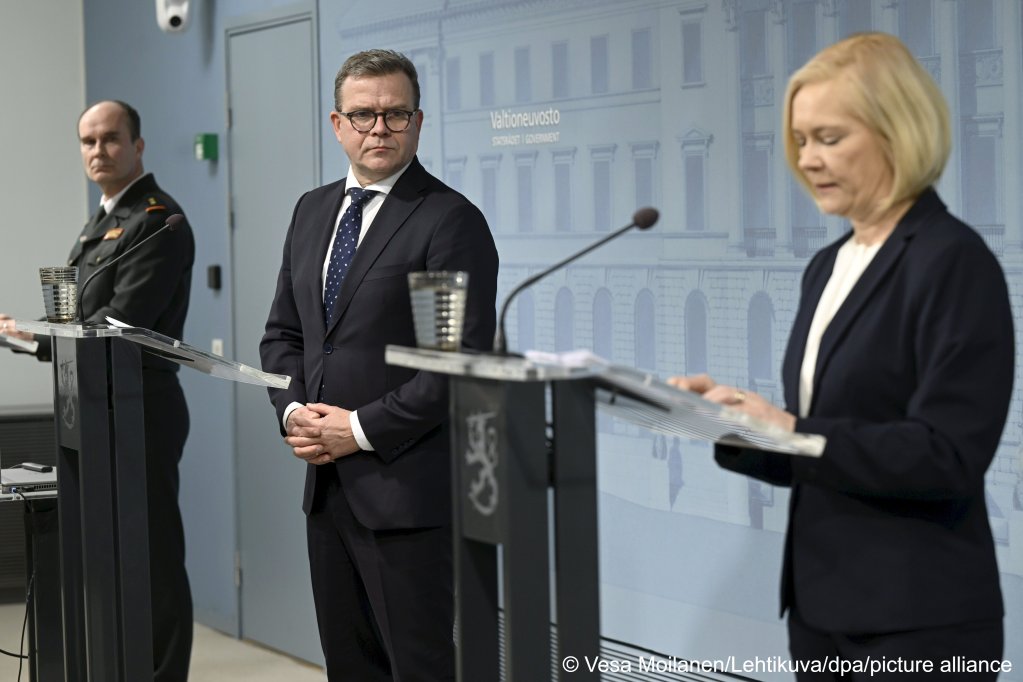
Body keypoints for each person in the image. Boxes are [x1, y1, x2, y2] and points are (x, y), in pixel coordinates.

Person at [670, 33, 1012, 680]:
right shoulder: (827, 265)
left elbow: (948, 454)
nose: (807, 159)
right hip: (821, 613)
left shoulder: (953, 261)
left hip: (917, 622)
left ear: (897, 132)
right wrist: (735, 424)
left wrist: (793, 429)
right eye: (800, 140)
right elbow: (824, 444)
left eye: (829, 138)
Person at [259, 49, 499, 681]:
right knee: (349, 666)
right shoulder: (312, 211)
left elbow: (452, 365)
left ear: (418, 122)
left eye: (396, 114)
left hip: (406, 494)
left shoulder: (448, 221)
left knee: (418, 668)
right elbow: (284, 335)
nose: (379, 129)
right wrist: (294, 413)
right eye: (363, 115)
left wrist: (358, 430)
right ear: (338, 124)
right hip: (326, 489)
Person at [1, 100, 195, 682]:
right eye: (88, 141)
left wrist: (37, 335)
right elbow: (77, 317)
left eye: (111, 138)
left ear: (138, 146)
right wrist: (26, 334)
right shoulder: (102, 222)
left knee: (151, 557)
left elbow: (118, 320)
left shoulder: (156, 220)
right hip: (89, 405)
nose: (98, 151)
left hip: (138, 408)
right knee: (107, 560)